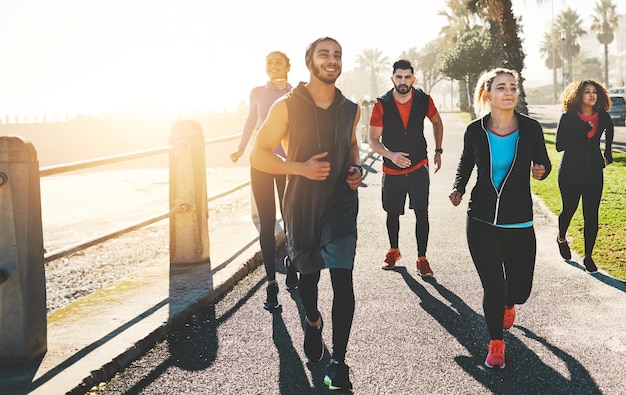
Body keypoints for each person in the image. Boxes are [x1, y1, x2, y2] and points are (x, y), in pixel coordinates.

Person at [250, 37, 361, 392]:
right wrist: (298, 167)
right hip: (301, 208)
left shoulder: (351, 108)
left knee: (344, 282)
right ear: (309, 61)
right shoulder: (286, 106)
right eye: (324, 54)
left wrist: (355, 168)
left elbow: (353, 144)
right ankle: (312, 323)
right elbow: (259, 155)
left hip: (341, 205)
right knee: (309, 281)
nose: (332, 60)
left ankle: (340, 363)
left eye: (337, 55)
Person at [449, 68, 551, 369]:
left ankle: (509, 303)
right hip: (481, 220)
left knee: (520, 290)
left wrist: (541, 169)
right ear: (488, 94)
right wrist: (458, 188)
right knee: (493, 287)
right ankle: (495, 344)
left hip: (519, 221)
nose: (509, 92)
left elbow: (543, 160)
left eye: (513, 87)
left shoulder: (531, 129)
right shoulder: (475, 131)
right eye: (501, 87)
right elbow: (466, 163)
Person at [230, 51, 298, 311]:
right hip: (260, 162)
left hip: (285, 165)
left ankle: (292, 263)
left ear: (288, 67)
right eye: (269, 62)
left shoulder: (296, 94)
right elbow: (250, 121)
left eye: (278, 62)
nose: (273, 66)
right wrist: (240, 147)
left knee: (289, 220)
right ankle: (271, 283)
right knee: (267, 223)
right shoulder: (257, 92)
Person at [368, 59, 444, 276]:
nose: (403, 81)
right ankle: (394, 250)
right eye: (399, 77)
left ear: (413, 78)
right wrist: (391, 155)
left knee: (422, 211)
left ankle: (422, 258)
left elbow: (437, 122)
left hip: (419, 164)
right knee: (392, 212)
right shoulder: (381, 104)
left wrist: (438, 150)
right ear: (393, 78)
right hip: (392, 169)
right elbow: (373, 139)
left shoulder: (423, 100)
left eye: (407, 77)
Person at [555, 80, 614, 274]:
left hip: (593, 171)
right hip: (570, 171)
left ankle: (588, 256)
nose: (591, 95)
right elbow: (559, 145)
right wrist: (582, 129)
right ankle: (562, 237)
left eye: (594, 92)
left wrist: (608, 152)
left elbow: (609, 130)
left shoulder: (603, 116)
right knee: (569, 209)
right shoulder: (568, 117)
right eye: (587, 92)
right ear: (578, 95)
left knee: (591, 214)